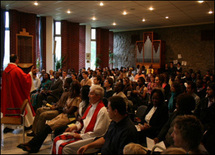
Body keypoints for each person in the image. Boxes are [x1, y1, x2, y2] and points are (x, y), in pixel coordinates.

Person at [17, 80, 82, 153]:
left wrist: (64, 109)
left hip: (69, 118)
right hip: (63, 115)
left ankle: (33, 145)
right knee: (46, 126)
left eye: (71, 88)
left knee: (48, 128)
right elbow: (65, 107)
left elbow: (70, 111)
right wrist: (64, 109)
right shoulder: (71, 97)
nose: (69, 89)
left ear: (74, 89)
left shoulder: (77, 99)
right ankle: (32, 144)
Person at [51, 85, 110, 154]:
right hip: (84, 134)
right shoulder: (91, 106)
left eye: (91, 94)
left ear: (98, 96)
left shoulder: (102, 111)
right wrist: (75, 126)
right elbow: (84, 121)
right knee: (57, 139)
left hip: (92, 139)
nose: (88, 96)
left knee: (65, 148)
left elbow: (98, 132)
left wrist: (80, 136)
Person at [1, 54, 35, 131]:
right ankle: (28, 125)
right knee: (23, 107)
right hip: (17, 94)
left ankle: (9, 126)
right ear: (16, 60)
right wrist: (30, 73)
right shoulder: (16, 70)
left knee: (9, 108)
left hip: (8, 96)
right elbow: (25, 79)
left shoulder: (5, 71)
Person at [194, 82, 215, 154]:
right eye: (207, 89)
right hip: (200, 125)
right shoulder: (204, 101)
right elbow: (197, 113)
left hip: (210, 130)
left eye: (209, 90)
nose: (206, 91)